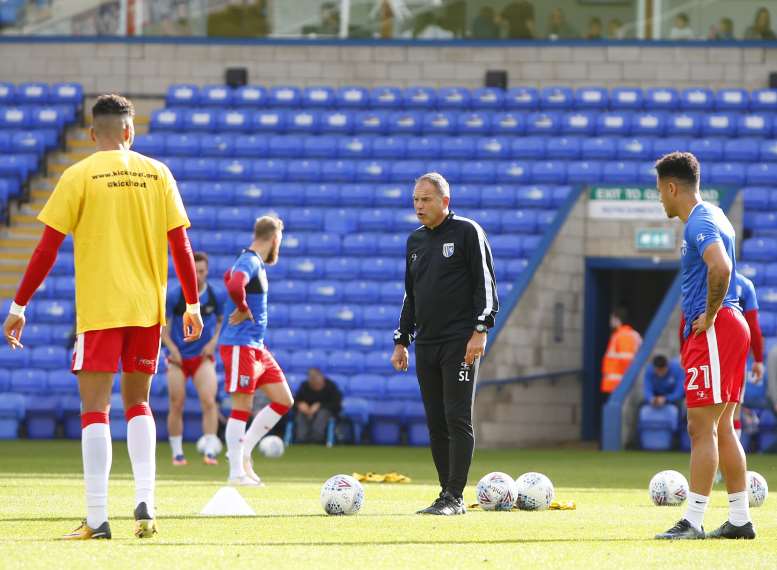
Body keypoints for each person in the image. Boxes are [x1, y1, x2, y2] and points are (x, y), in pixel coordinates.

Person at [1, 94, 203, 540]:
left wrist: (18, 306)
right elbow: (182, 246)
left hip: (99, 311)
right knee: (139, 404)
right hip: (147, 311)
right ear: (130, 132)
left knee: (95, 409)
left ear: (93, 134)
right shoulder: (158, 173)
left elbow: (46, 249)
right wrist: (191, 304)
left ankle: (96, 519)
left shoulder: (79, 174)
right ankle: (146, 504)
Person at [654, 152, 754, 540]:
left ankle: (693, 520)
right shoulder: (714, 214)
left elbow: (722, 268)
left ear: (672, 187)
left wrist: (710, 315)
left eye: (660, 191)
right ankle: (740, 519)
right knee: (724, 426)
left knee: (700, 428)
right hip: (729, 327)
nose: (660, 199)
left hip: (716, 329)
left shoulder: (699, 221)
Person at [391, 172, 498, 516]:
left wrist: (480, 330)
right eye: (416, 200)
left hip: (460, 341)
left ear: (445, 201)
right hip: (427, 342)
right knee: (435, 420)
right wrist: (402, 339)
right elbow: (412, 294)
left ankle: (455, 495)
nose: (419, 206)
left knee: (456, 417)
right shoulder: (415, 242)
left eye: (426, 200)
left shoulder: (468, 232)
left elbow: (486, 285)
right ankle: (445, 493)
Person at [219, 215, 293, 487]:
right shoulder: (249, 260)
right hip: (240, 344)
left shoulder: (250, 260)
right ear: (275, 238)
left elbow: (228, 276)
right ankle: (236, 473)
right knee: (242, 406)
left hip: (256, 346)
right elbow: (235, 283)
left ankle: (242, 452)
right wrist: (243, 308)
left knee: (283, 400)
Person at [161, 251, 225, 466]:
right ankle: (177, 453)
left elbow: (222, 323)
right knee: (176, 403)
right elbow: (162, 328)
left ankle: (209, 450)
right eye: (194, 271)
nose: (197, 275)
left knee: (209, 401)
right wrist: (172, 349)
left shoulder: (215, 296)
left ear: (207, 272)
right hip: (178, 358)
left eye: (201, 271)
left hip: (202, 357)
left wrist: (213, 343)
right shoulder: (175, 296)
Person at [733, 271, 765, 438]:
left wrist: (684, 351)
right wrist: (758, 360)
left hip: (706, 352)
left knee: (706, 412)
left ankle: (707, 463)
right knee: (734, 408)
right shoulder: (744, 285)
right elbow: (753, 324)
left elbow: (685, 318)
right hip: (735, 354)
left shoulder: (700, 278)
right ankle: (729, 464)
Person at [294, 368, 343, 444]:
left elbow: (337, 405)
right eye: (311, 379)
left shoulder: (331, 386)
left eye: (316, 378)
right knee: (300, 414)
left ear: (322, 378)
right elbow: (295, 402)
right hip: (307, 412)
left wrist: (320, 406)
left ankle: (317, 439)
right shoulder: (304, 386)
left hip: (325, 411)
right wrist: (299, 405)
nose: (314, 381)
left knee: (322, 414)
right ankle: (302, 439)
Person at [600, 308, 642, 395]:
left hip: (619, 384)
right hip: (620, 384)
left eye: (612, 318)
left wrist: (626, 382)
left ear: (617, 319)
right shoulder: (629, 334)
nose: (610, 321)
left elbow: (627, 359)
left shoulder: (623, 336)